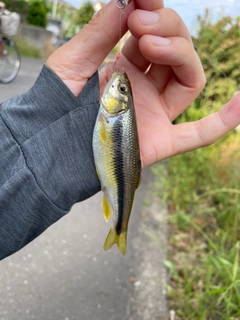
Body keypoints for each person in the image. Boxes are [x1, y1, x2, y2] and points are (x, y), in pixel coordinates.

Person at [0, 0, 239, 261]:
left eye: (121, 91)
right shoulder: (112, 112)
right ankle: (119, 227)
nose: (118, 85)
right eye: (122, 89)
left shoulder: (115, 114)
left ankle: (119, 227)